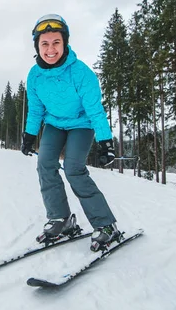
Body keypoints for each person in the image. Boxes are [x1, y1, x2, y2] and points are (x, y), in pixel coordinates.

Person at [21, 14, 119, 253]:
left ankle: (106, 225)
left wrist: (106, 141)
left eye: (56, 42)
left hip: (81, 123)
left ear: (64, 44)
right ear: (37, 46)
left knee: (74, 169)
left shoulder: (81, 73)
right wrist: (29, 135)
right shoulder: (35, 75)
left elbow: (95, 110)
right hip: (54, 124)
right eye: (45, 43)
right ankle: (60, 219)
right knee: (45, 164)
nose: (51, 49)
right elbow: (36, 110)